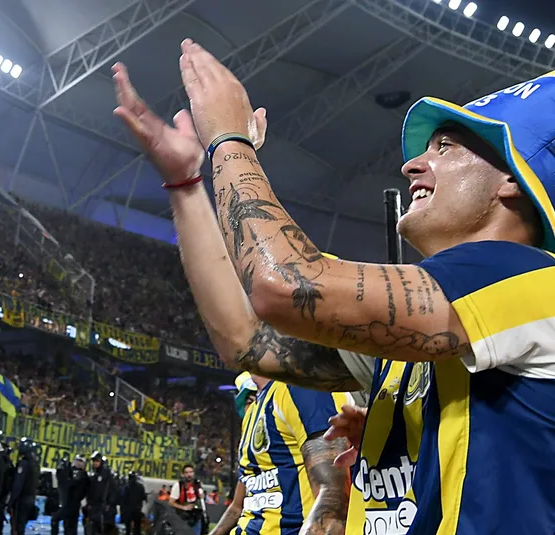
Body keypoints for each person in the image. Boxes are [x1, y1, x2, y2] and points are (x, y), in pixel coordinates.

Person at [111, 40, 555, 533]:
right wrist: (187, 185)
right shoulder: (446, 318)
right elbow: (247, 340)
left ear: (513, 178)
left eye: (445, 146)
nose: (411, 164)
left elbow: (286, 287)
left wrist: (229, 140)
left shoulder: (532, 280)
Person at [209, 372, 350, 535]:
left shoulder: (300, 389)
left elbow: (334, 499)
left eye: (251, 398)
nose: (248, 404)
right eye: (246, 400)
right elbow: (238, 504)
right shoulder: (250, 418)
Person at [9, 437, 40, 535]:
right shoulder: (35, 464)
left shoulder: (24, 464)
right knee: (21, 526)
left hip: (21, 500)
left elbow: (18, 484)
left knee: (17, 528)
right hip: (30, 499)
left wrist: (11, 501)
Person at [86, 451, 118, 535]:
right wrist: (89, 503)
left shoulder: (106, 474)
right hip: (95, 508)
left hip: (103, 508)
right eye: (94, 461)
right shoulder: (94, 474)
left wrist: (109, 504)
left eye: (97, 461)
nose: (95, 463)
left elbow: (111, 490)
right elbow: (91, 491)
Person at [168, 464, 206, 535]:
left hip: (196, 516)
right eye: (186, 472)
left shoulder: (198, 484)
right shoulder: (178, 485)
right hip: (182, 517)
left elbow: (201, 498)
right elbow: (171, 502)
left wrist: (202, 496)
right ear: (183, 474)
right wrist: (183, 507)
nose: (189, 475)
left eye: (191, 472)